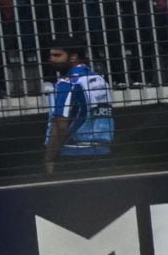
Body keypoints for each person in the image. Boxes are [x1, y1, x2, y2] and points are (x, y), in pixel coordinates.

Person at [42, 38, 114, 170]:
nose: (51, 59)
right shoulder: (100, 79)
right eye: (51, 55)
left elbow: (60, 125)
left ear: (73, 57)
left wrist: (49, 158)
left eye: (57, 55)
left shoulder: (68, 83)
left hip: (74, 155)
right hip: (104, 152)